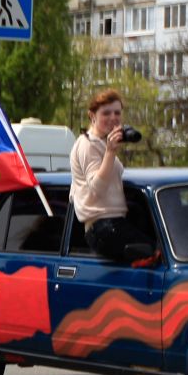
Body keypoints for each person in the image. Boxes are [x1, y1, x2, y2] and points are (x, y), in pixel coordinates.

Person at [69, 89, 153, 263]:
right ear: (92, 116)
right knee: (154, 253)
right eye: (106, 113)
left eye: (117, 113)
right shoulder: (88, 145)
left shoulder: (101, 143)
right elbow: (97, 188)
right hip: (102, 227)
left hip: (115, 222)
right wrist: (110, 152)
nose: (113, 117)